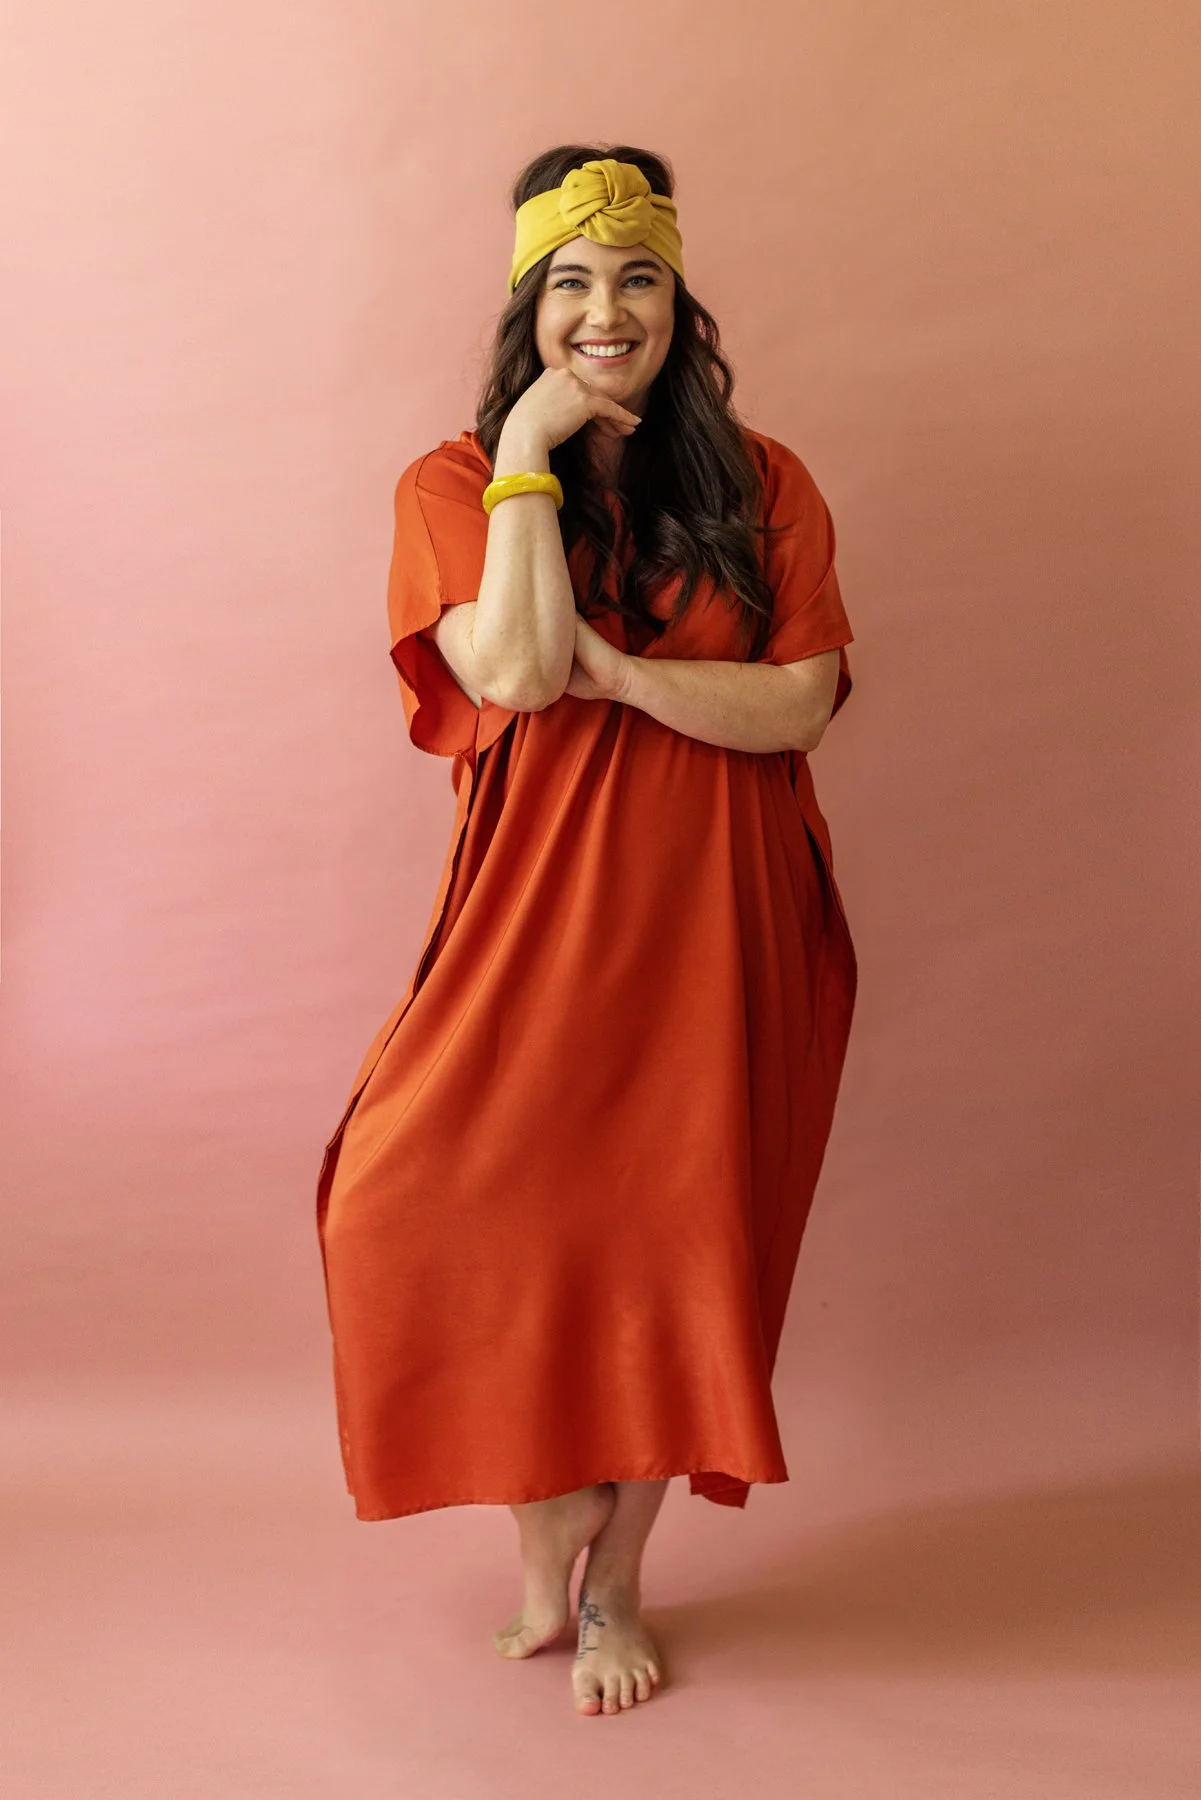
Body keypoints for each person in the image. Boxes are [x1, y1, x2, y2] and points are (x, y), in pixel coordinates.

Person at [315, 143, 858, 1719]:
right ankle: (541, 1565)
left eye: (637, 277)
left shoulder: (764, 484)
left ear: (680, 298)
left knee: (669, 1246)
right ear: (526, 306)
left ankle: (614, 1585)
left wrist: (628, 681)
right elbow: (515, 673)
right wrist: (532, 457)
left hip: (716, 914)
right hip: (532, 919)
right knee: (433, 1214)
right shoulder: (450, 480)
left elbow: (800, 701)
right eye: (570, 281)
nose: (605, 310)